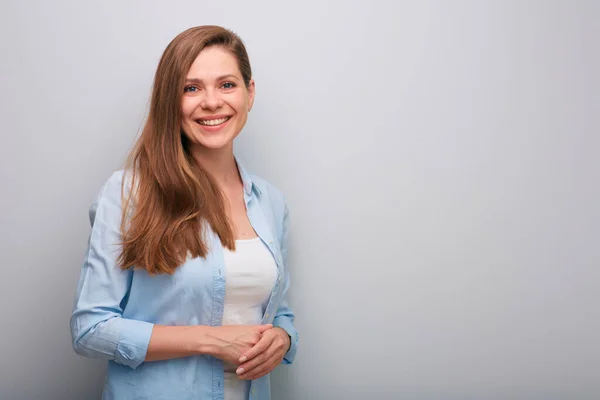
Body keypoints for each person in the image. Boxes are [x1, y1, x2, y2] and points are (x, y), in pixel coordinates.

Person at [70, 25, 298, 400]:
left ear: (249, 92)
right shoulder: (129, 193)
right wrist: (210, 341)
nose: (211, 102)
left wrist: (283, 338)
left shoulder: (271, 202)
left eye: (227, 85)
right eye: (191, 88)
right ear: (170, 101)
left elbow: (280, 312)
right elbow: (90, 328)